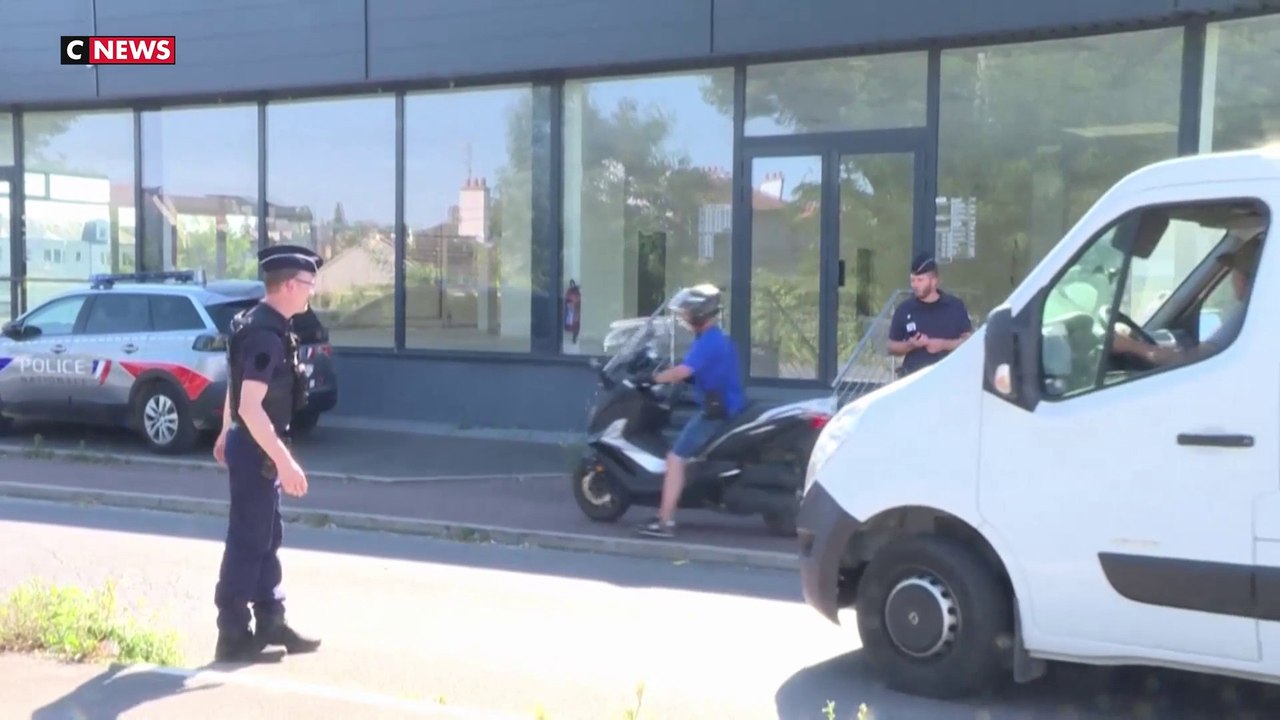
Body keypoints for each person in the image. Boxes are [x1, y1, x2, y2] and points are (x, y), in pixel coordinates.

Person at [212, 244, 324, 662]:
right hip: (257, 447)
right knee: (248, 540)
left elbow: (235, 384)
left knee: (266, 536)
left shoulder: (258, 323)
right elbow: (250, 404)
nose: (312, 291)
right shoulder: (265, 334)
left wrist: (225, 430)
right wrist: (284, 460)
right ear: (290, 285)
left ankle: (271, 620)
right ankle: (233, 634)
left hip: (252, 443)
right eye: (309, 283)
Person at [637, 284, 747, 539]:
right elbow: (699, 370)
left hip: (717, 412)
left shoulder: (709, 341)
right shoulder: (714, 337)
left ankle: (665, 521)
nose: (684, 318)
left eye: (686, 313)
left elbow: (683, 370)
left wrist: (652, 378)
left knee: (675, 459)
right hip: (724, 404)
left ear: (699, 314)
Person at [1111, 238, 1260, 366]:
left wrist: (1131, 346)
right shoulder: (1256, 311)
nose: (1232, 279)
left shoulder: (1251, 314)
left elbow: (1195, 360)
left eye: (1234, 271)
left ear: (1243, 279)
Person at [887, 253, 974, 377]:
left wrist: (943, 344)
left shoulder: (954, 306)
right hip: (914, 378)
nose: (915, 285)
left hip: (950, 377)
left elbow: (969, 342)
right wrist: (911, 345)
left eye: (920, 280)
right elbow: (891, 347)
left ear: (934, 281)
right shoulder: (905, 309)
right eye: (912, 280)